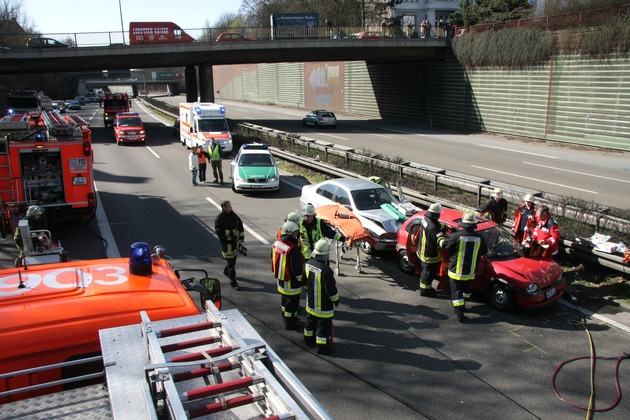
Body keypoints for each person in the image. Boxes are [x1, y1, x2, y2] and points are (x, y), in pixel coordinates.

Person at [442, 211, 487, 322]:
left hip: (456, 272)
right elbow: (484, 251)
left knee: (456, 291)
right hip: (470, 272)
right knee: (466, 291)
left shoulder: (456, 236)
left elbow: (445, 246)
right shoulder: (480, 238)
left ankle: (459, 312)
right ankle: (463, 304)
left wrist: (442, 237)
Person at [303, 239, 340, 355]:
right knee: (323, 329)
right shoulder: (326, 271)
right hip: (323, 307)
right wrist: (336, 300)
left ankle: (308, 341)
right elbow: (331, 290)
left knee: (309, 324)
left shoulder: (308, 263)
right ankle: (322, 348)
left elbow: (304, 282)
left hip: (310, 303)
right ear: (326, 254)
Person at [272, 221, 304, 330]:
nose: (297, 236)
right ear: (290, 234)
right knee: (292, 304)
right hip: (291, 283)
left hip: (281, 279)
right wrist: (303, 281)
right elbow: (297, 269)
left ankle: (285, 317)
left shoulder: (277, 243)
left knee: (284, 300)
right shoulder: (293, 249)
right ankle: (290, 323)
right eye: (295, 233)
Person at [416, 203, 447, 297]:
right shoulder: (433, 228)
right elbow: (435, 242)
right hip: (429, 255)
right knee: (428, 274)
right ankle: (424, 290)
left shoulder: (424, 220)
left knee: (426, 272)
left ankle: (427, 287)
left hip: (422, 251)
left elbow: (436, 225)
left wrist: (444, 227)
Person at [214, 200, 244, 290]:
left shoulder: (232, 215)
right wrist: (231, 233)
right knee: (231, 264)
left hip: (234, 243)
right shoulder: (219, 218)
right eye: (229, 206)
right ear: (224, 208)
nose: (231, 207)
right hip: (227, 245)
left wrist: (241, 237)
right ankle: (233, 282)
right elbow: (219, 231)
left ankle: (226, 271)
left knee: (233, 262)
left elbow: (240, 224)